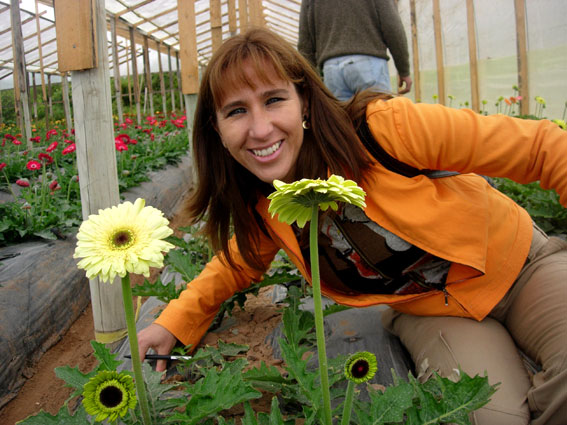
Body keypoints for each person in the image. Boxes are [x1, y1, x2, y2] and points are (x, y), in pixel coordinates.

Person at [137, 28, 567, 425]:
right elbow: (238, 264)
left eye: (273, 100)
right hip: (432, 313)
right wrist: (176, 321)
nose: (260, 128)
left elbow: (544, 150)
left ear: (303, 100)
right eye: (236, 111)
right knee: (483, 416)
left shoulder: (383, 130)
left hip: (520, 269)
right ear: (217, 129)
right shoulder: (266, 204)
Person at [297, 0, 413, 99]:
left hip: (331, 70)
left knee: (343, 122)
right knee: (380, 119)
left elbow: (305, 42)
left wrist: (310, 81)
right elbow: (392, 25)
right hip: (368, 63)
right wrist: (403, 70)